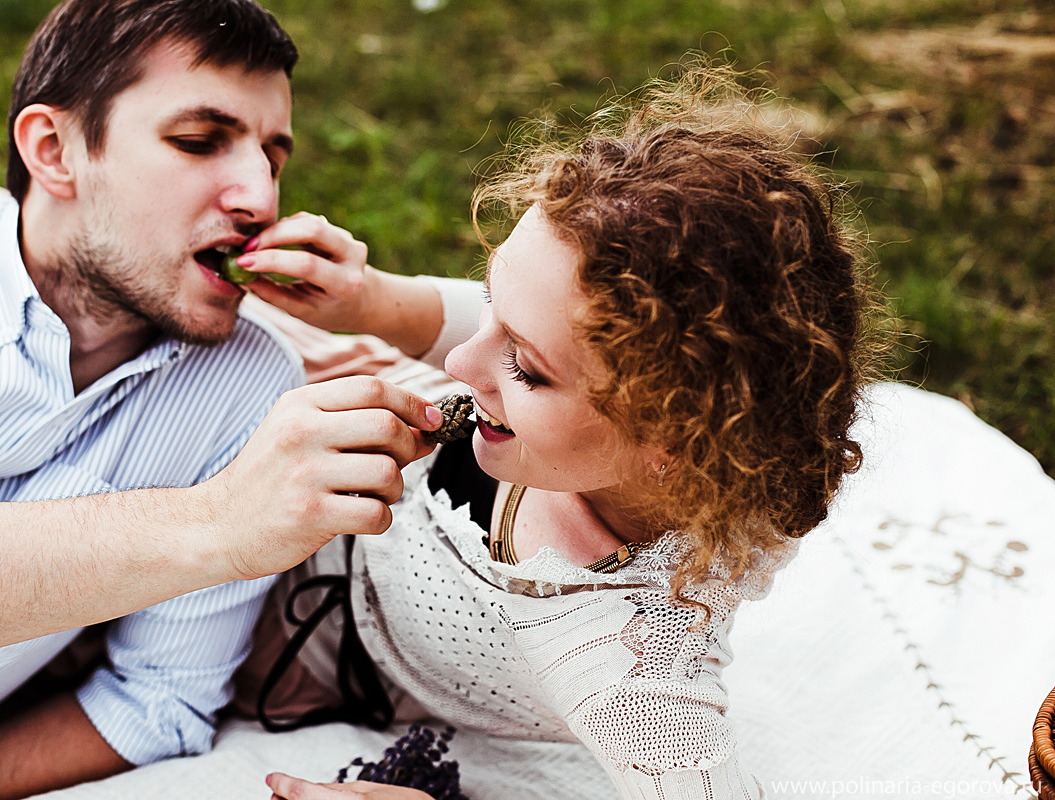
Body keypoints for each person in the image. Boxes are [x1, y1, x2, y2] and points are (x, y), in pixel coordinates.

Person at [220, 72, 883, 799]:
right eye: (490, 306)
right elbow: (499, 327)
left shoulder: (621, 657)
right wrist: (373, 300)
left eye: (528, 370)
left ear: (672, 441)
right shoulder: (579, 414)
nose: (461, 363)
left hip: (316, 638)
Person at [0, 1, 450, 797]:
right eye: (200, 141)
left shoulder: (250, 387)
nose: (259, 201)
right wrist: (222, 521)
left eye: (273, 157)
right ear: (54, 150)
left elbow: (156, 705)